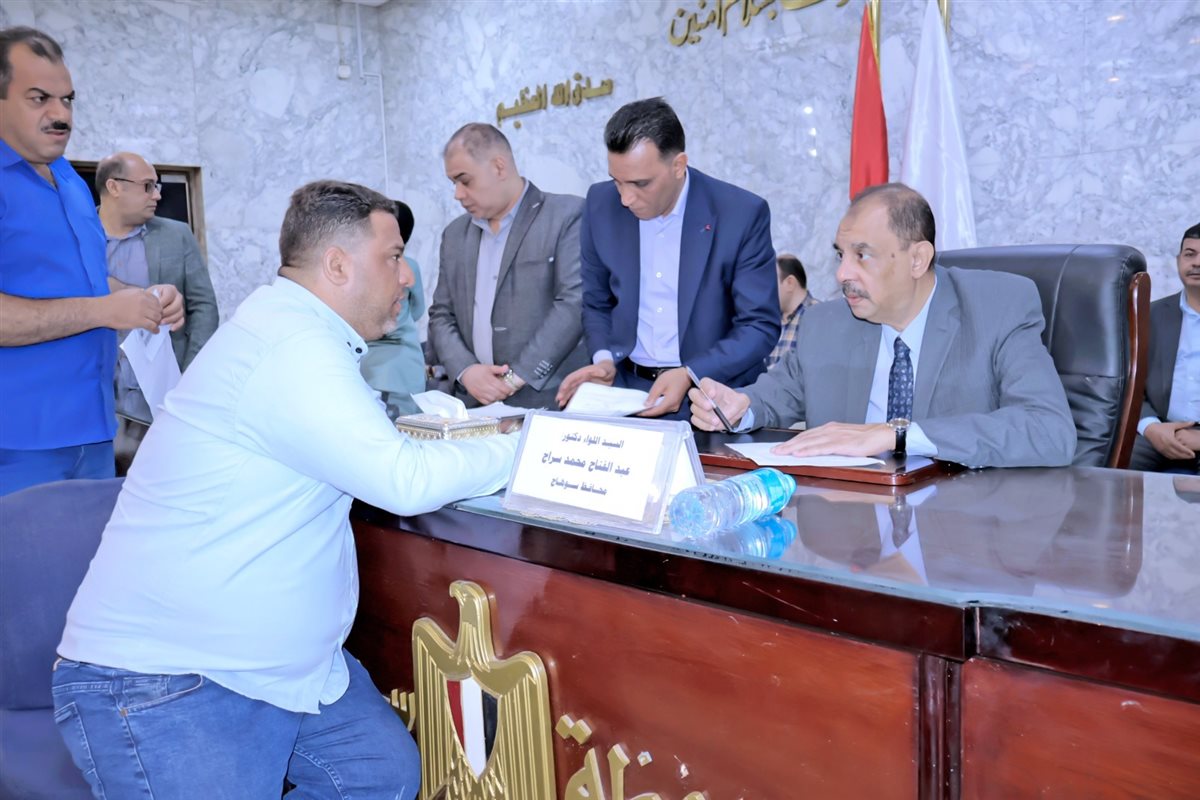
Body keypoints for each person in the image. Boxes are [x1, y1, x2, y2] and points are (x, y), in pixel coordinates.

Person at [53, 181, 520, 798]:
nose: (407, 276)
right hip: (172, 678)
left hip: (277, 667)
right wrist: (526, 450)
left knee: (376, 773)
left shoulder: (292, 331)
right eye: (393, 256)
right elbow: (402, 480)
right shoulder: (292, 347)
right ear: (338, 265)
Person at [690, 183, 1076, 468]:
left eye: (862, 255)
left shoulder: (998, 309)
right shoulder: (827, 322)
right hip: (851, 525)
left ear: (917, 259)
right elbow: (777, 393)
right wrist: (739, 408)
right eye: (841, 255)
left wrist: (896, 434)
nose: (842, 274)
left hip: (958, 529)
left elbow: (1049, 430)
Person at [0, 27, 181, 496]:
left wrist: (142, 299)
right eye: (39, 98)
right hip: (17, 443)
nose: (61, 114)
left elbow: (87, 281)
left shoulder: (71, 183)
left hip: (96, 430)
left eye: (67, 99)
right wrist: (103, 311)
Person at [557, 97, 780, 420]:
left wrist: (691, 372)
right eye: (617, 181)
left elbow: (759, 325)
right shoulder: (600, 204)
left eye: (640, 183)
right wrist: (603, 360)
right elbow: (597, 301)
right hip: (627, 393)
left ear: (678, 166)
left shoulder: (740, 213)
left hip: (711, 399)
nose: (626, 198)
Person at [428, 122, 587, 409]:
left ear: (499, 167)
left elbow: (574, 303)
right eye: (453, 183)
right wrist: (466, 371)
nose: (458, 194)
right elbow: (441, 314)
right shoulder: (454, 235)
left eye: (465, 181)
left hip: (548, 402)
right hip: (475, 403)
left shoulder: (566, 216)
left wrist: (513, 379)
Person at [96, 150, 218, 422]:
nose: (157, 195)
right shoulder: (75, 237)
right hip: (96, 395)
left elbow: (204, 306)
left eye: (157, 186)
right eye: (148, 186)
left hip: (164, 395)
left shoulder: (177, 234)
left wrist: (190, 376)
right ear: (114, 187)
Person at [1129, 223, 1200, 473]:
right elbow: (1128, 384)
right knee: (1109, 473)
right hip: (1160, 429)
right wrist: (1151, 427)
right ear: (1179, 260)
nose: (1196, 263)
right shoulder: (1149, 315)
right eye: (1190, 254)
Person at [360, 199, 428, 417]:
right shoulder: (411, 266)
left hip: (369, 363)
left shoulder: (367, 267)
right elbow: (418, 310)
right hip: (404, 360)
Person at [767, 253, 819, 369]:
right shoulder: (769, 320)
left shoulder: (819, 317)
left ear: (790, 283)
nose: (765, 292)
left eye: (769, 283)